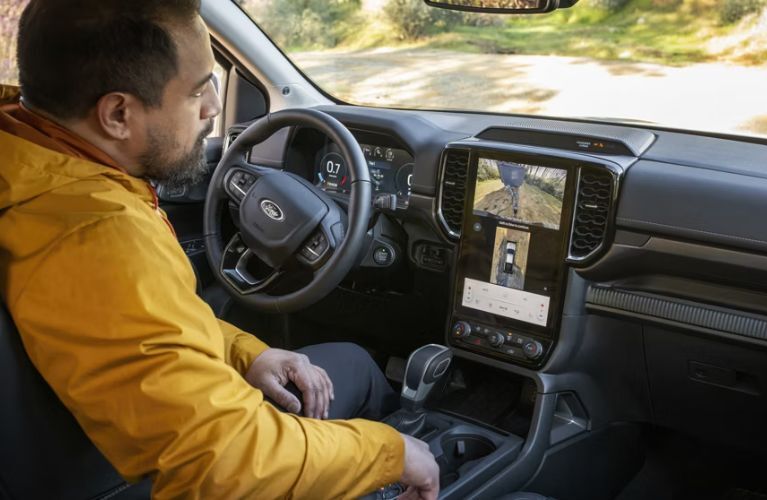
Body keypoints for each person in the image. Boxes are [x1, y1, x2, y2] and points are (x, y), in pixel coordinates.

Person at [0, 1, 439, 498]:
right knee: (357, 367)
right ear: (118, 114)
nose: (212, 105)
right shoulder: (95, 234)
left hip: (87, 447)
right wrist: (391, 453)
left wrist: (245, 352)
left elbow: (141, 327)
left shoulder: (31, 167)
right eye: (195, 90)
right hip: (122, 477)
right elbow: (221, 462)